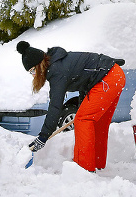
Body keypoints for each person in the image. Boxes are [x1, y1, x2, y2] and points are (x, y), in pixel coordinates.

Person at [18, 41, 125, 172]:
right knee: (97, 124)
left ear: (40, 64)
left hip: (107, 79)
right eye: (30, 72)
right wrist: (82, 106)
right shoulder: (58, 62)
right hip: (115, 75)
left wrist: (43, 136)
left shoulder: (57, 71)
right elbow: (84, 81)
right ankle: (98, 164)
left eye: (33, 70)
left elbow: (55, 106)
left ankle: (83, 170)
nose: (34, 75)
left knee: (82, 120)